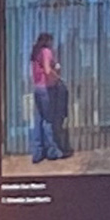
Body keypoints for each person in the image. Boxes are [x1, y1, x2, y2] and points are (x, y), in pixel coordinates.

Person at [26, 31, 67, 162]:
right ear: (47, 41)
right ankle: (52, 151)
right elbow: (48, 70)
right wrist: (58, 77)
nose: (52, 44)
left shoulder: (35, 53)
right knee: (48, 121)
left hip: (37, 88)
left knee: (39, 121)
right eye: (51, 41)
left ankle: (37, 153)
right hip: (46, 89)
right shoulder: (46, 52)